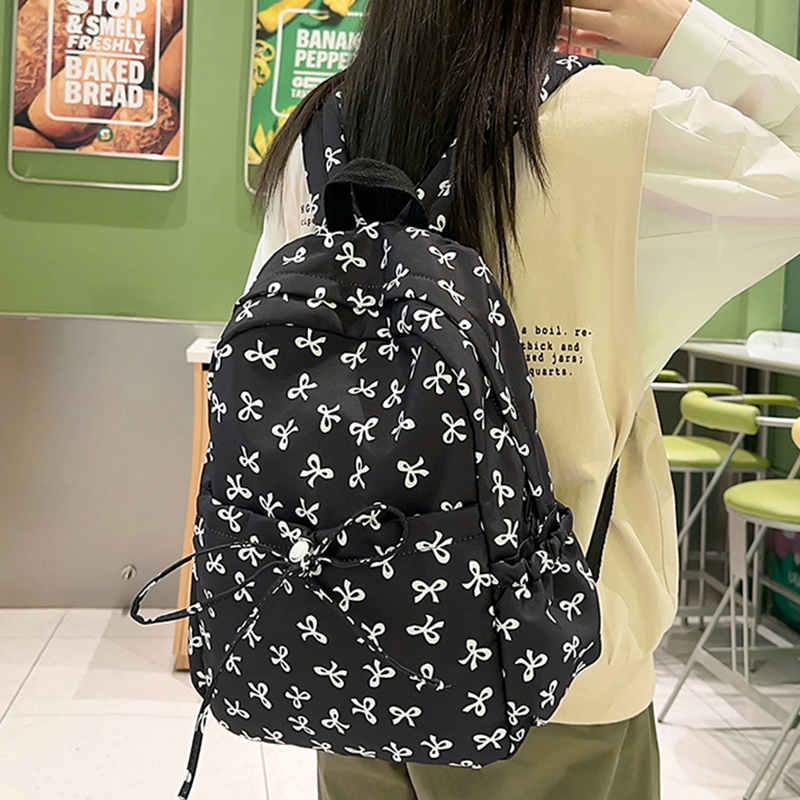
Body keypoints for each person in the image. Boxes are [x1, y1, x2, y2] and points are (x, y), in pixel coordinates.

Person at [248, 1, 800, 798]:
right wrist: (685, 32)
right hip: (553, 670)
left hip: (351, 648)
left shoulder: (319, 134)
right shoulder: (616, 125)